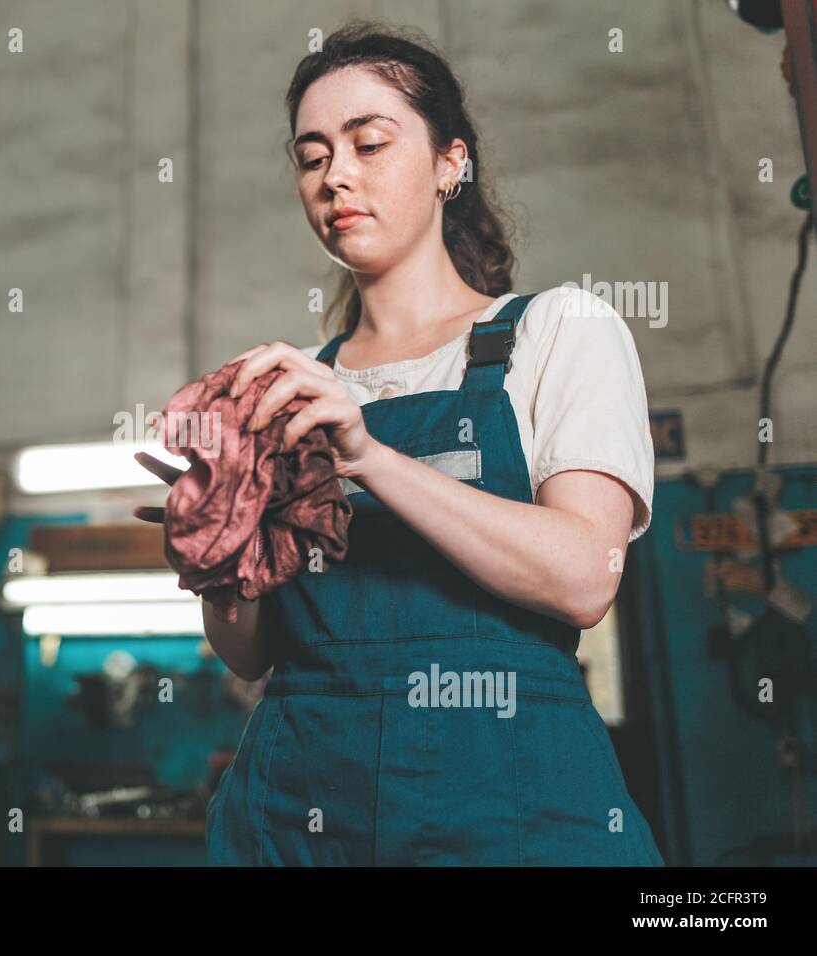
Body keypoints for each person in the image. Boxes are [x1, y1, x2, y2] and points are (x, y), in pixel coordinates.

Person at [136, 21, 662, 866]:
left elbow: (581, 579)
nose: (336, 175)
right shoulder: (287, 380)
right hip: (300, 807)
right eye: (311, 157)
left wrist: (369, 456)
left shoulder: (557, 330)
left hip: (511, 804)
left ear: (452, 163)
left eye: (368, 143)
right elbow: (252, 650)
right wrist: (215, 547)